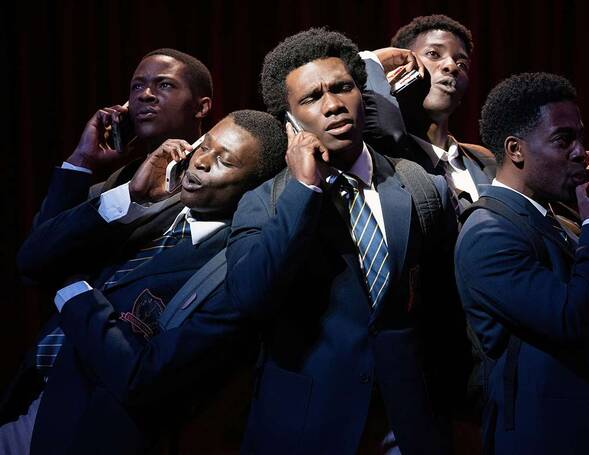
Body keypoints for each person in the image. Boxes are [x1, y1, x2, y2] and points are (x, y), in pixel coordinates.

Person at [226, 28, 465, 454]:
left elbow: (447, 310)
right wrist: (304, 190)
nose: (333, 105)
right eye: (312, 98)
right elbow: (250, 297)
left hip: (407, 424)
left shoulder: (422, 186)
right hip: (308, 426)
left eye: (342, 88)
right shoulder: (264, 201)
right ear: (291, 121)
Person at [3, 110, 286, 454]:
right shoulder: (150, 202)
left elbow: (142, 378)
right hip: (28, 401)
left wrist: (72, 286)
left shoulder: (233, 270)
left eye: (224, 161)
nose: (202, 163)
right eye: (204, 147)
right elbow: (32, 260)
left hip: (78, 434)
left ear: (252, 188)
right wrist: (132, 198)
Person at [455, 72, 589, 454]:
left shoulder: (561, 217)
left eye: (581, 137)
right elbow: (571, 317)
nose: (581, 152)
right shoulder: (489, 233)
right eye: (563, 140)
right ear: (515, 150)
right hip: (553, 439)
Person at [34, 48, 213, 229]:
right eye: (137, 86)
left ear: (201, 108)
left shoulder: (219, 178)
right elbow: (40, 248)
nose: (145, 94)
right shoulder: (106, 192)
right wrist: (82, 158)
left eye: (164, 85)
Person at [361, 14, 496, 222]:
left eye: (462, 64)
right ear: (398, 66)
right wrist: (373, 61)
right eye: (433, 54)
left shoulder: (484, 161)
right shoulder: (380, 153)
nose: (451, 66)